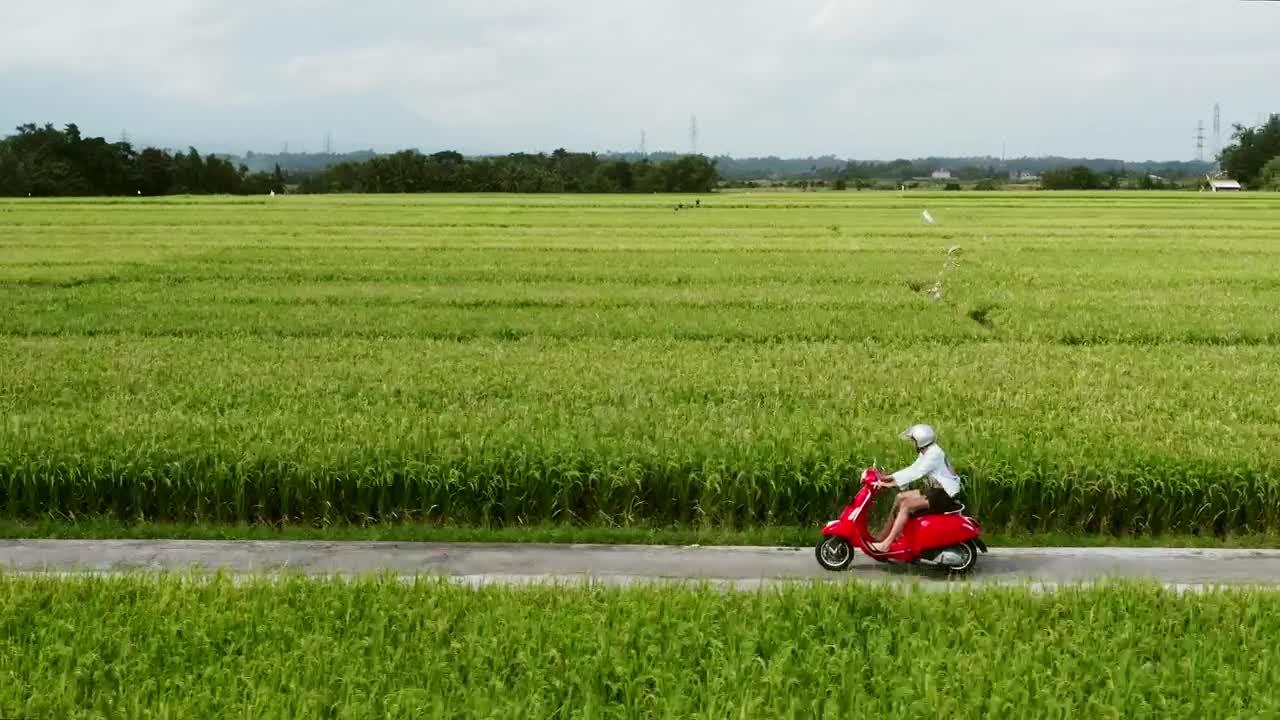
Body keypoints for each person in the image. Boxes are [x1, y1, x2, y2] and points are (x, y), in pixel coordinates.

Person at [868, 424, 963, 554]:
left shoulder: (934, 454)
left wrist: (890, 484)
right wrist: (888, 477)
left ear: (920, 441)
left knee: (906, 505)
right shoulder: (928, 451)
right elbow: (913, 468)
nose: (913, 443)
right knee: (900, 497)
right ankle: (882, 537)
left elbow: (917, 473)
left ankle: (886, 544)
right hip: (936, 490)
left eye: (914, 441)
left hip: (944, 494)